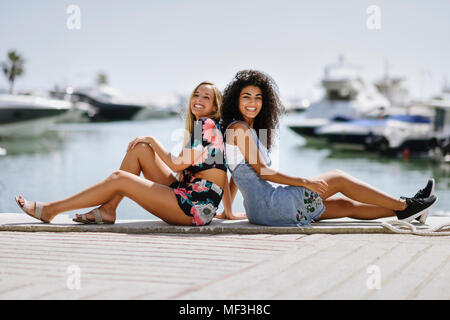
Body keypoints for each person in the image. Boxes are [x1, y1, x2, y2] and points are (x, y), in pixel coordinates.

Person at [216, 70, 437, 226]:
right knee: (338, 178)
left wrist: (227, 212)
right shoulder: (239, 129)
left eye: (258, 98)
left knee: (344, 205)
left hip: (261, 211)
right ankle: (406, 203)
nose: (252, 103)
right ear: (236, 100)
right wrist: (305, 182)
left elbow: (235, 175)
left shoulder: (254, 131)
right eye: (246, 97)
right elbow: (263, 171)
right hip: (271, 205)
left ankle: (412, 211)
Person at [15, 81, 227, 226]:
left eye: (206, 97)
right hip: (189, 195)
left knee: (120, 178)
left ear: (215, 106)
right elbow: (215, 173)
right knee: (140, 150)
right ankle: (109, 210)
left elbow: (178, 165)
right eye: (196, 95)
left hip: (194, 208)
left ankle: (52, 209)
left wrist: (153, 140)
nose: (198, 99)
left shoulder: (205, 125)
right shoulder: (204, 127)